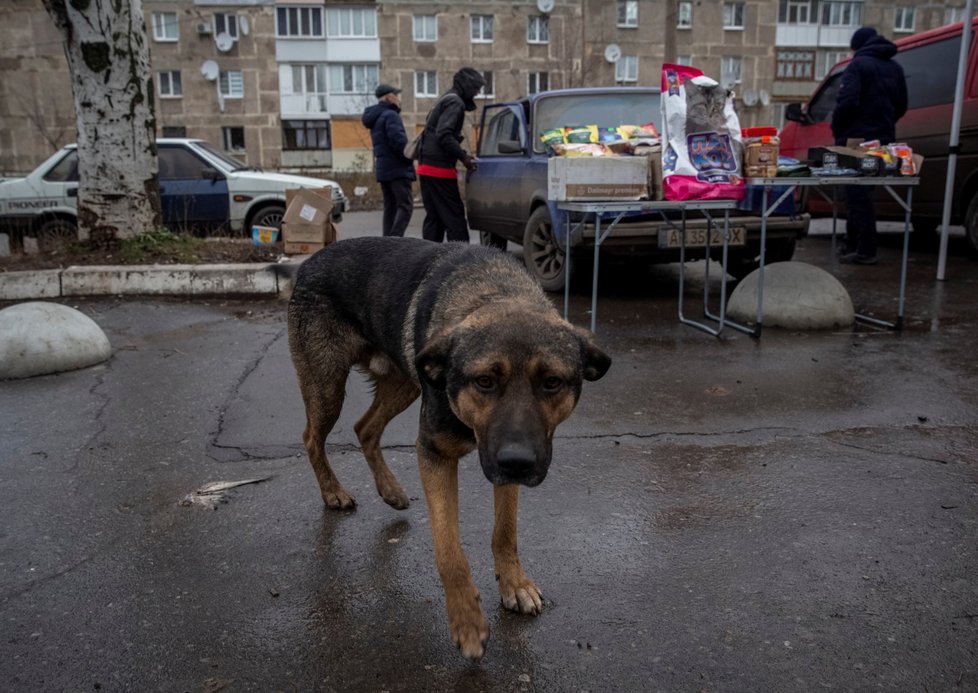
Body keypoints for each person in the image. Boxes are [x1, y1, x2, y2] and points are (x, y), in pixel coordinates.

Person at [831, 26, 908, 265]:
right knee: (865, 190)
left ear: (859, 46)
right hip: (883, 139)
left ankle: (864, 249)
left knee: (856, 192)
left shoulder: (859, 65)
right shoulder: (895, 68)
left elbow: (847, 101)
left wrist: (838, 128)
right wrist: (883, 126)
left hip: (857, 139)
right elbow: (902, 105)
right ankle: (852, 244)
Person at [416, 67, 486, 243]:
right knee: (454, 218)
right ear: (467, 86)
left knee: (435, 218)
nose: (477, 93)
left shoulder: (444, 99)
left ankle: (428, 259)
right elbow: (444, 135)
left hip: (426, 165)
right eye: (476, 88)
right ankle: (462, 263)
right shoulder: (455, 103)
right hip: (439, 169)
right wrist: (464, 157)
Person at [362, 83, 416, 237]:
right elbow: (398, 142)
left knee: (390, 207)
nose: (398, 98)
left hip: (384, 169)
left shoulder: (376, 117)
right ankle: (395, 240)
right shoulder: (391, 115)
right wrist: (409, 156)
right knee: (405, 205)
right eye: (396, 95)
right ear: (388, 97)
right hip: (397, 169)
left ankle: (387, 241)